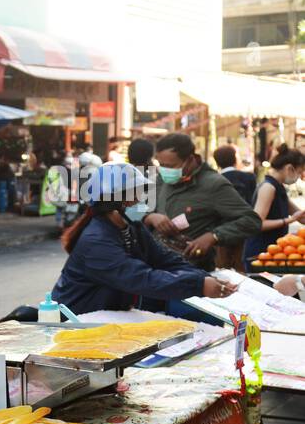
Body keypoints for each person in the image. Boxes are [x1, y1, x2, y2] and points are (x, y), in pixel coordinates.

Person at [51, 163, 234, 317]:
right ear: (114, 201)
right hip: (77, 321)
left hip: (110, 316)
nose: (140, 201)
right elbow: (141, 278)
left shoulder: (132, 229)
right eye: (134, 195)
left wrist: (205, 278)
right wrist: (199, 286)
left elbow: (166, 260)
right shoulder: (95, 241)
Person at [145, 132, 261, 274]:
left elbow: (251, 220)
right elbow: (139, 210)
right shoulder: (161, 179)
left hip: (192, 271)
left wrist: (214, 236)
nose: (164, 170)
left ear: (190, 159)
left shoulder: (214, 184)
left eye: (170, 166)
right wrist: (150, 217)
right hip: (156, 269)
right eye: (161, 165)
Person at [244, 147, 305, 268]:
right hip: (261, 254)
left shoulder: (278, 187)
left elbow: (300, 215)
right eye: (299, 172)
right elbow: (257, 224)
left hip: (273, 254)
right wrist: (289, 220)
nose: (300, 176)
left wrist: (296, 217)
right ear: (289, 168)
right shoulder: (269, 188)